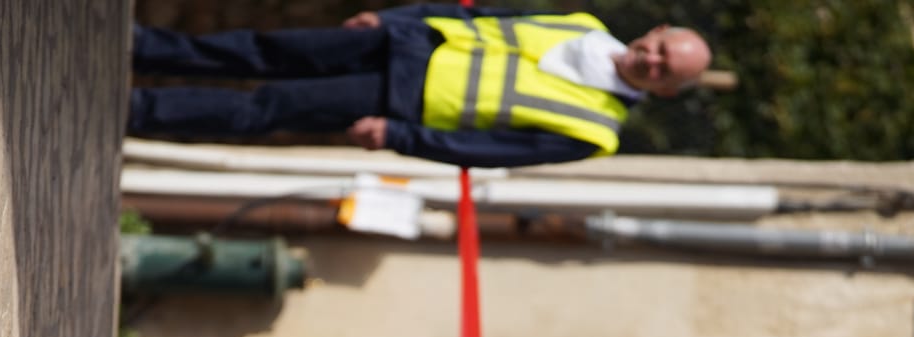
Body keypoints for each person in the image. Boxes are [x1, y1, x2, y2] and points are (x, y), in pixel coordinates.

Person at [129, 8, 713, 169]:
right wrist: (395, 18)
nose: (653, 60)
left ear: (664, 92)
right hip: (407, 42)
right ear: (656, 30)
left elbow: (485, 154)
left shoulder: (596, 131)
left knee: (267, 106)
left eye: (666, 70)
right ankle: (145, 47)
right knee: (266, 48)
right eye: (662, 48)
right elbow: (482, 13)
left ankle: (142, 109)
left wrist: (401, 137)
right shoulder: (583, 24)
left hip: (399, 100)